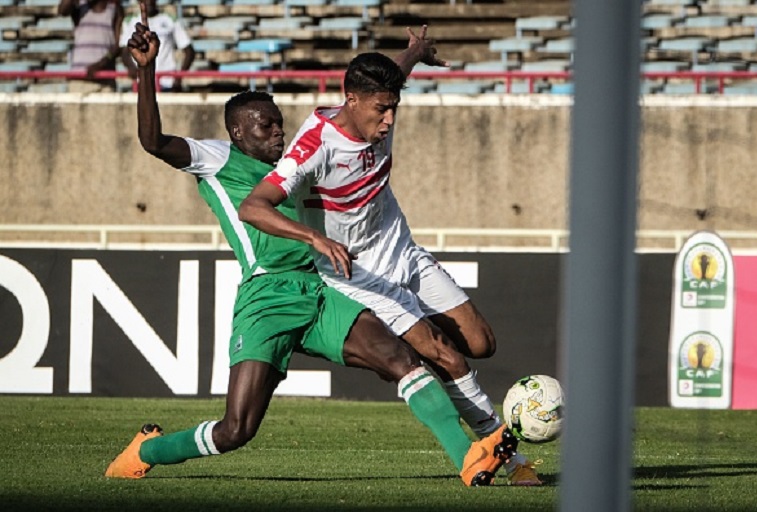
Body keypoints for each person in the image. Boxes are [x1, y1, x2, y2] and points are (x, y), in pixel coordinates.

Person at [104, 10, 516, 488]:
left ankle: (470, 458)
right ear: (238, 134)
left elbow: (376, 93)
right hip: (267, 298)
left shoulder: (305, 150)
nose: (277, 133)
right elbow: (153, 141)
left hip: (321, 287)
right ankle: (147, 450)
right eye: (266, 128)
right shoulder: (218, 159)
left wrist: (414, 54)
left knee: (403, 361)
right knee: (235, 430)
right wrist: (146, 68)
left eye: (279, 124)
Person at [237, 34, 542, 486]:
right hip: (358, 274)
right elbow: (253, 206)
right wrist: (312, 239)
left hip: (403, 252)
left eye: (394, 106)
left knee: (479, 344)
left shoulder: (379, 105)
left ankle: (453, 390)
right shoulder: (313, 147)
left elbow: (394, 75)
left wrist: (416, 52)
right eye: (381, 109)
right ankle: (509, 461)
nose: (390, 119)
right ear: (352, 100)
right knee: (447, 356)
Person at [119, 0, 194, 92]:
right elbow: (124, 52)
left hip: (167, 82)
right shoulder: (130, 22)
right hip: (142, 83)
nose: (149, 1)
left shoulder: (169, 19)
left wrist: (179, 77)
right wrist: (133, 69)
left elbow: (189, 50)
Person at [58, 0, 124, 92]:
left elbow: (118, 46)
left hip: (105, 81)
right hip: (79, 80)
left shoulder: (115, 8)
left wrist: (100, 64)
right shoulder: (79, 7)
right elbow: (62, 11)